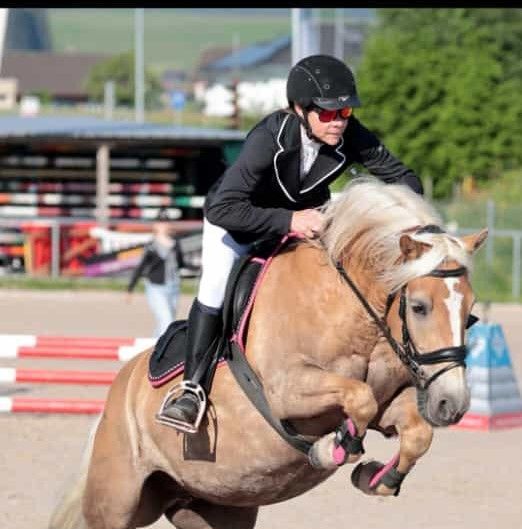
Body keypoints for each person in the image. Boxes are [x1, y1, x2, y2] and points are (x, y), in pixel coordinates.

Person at [158, 53, 423, 432]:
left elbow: (405, 179)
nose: (337, 122)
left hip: (307, 220)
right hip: (240, 220)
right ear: (300, 109)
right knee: (214, 288)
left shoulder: (351, 134)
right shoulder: (270, 137)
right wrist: (289, 220)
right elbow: (222, 208)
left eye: (344, 113)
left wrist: (388, 216)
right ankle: (191, 390)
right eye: (327, 113)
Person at [127, 209, 185, 338]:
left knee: (164, 323)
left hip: (174, 287)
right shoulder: (151, 246)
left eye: (166, 222)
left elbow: (181, 264)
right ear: (155, 226)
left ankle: (153, 350)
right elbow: (141, 267)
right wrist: (130, 288)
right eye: (161, 222)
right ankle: (162, 354)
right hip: (156, 287)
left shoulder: (175, 244)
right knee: (166, 321)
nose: (164, 225)